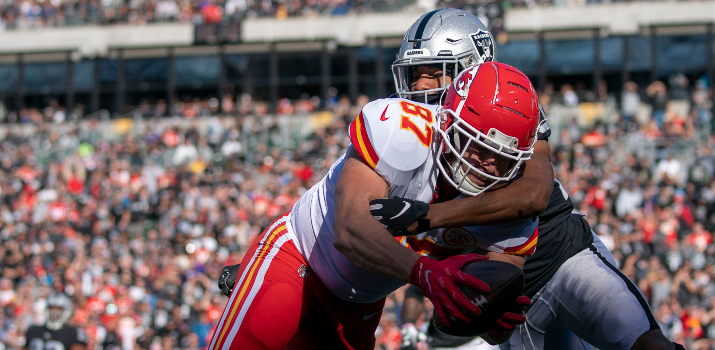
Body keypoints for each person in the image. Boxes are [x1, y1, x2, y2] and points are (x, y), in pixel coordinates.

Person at [377, 9, 681, 350]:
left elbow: (533, 194)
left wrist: (426, 217)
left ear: (473, 66)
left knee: (647, 344)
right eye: (415, 74)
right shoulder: (399, 127)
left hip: (561, 255)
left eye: (437, 74)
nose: (420, 87)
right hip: (508, 295)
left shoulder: (509, 102)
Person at [208, 61, 542, 350]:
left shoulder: (508, 208)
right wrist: (423, 272)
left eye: (503, 158)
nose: (487, 165)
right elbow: (351, 229)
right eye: (477, 145)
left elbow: (495, 295)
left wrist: (492, 316)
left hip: (360, 307)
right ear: (448, 123)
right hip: (298, 262)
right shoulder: (403, 129)